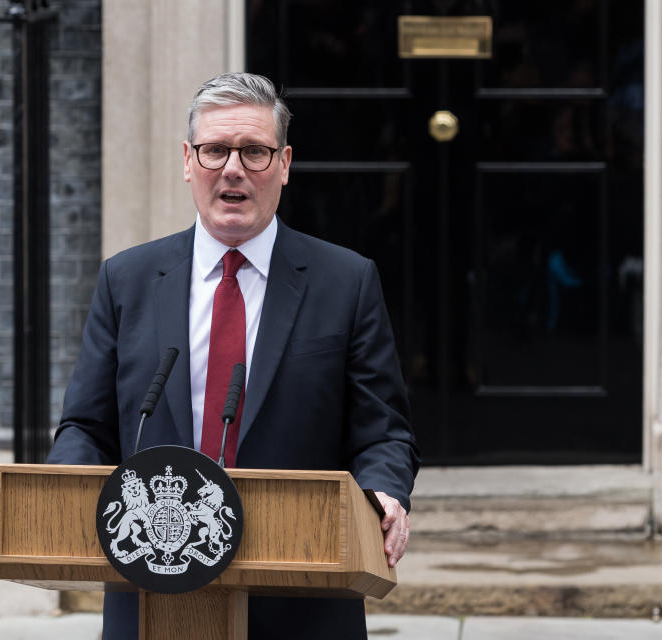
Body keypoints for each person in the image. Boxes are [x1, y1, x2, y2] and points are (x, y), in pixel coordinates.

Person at [47, 72, 420, 640]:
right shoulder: (128, 279)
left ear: (285, 163)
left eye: (254, 151)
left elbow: (384, 432)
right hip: (153, 586)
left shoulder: (346, 281)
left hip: (302, 591)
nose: (233, 168)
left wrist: (384, 493)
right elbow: (86, 425)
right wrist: (65, 488)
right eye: (215, 150)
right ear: (188, 161)